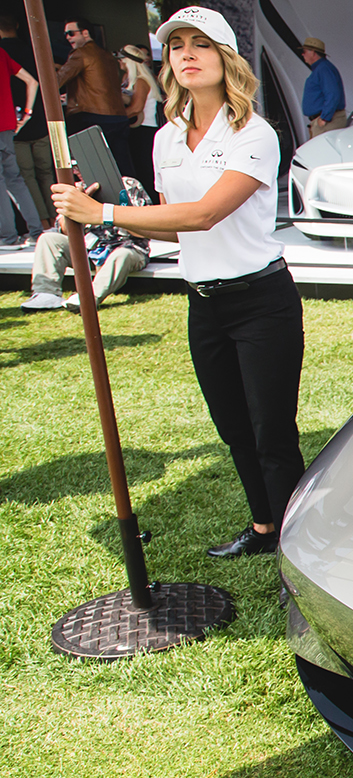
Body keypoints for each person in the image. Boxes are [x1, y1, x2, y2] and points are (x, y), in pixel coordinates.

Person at [55, 6, 303, 560]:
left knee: (271, 433)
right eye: (176, 46)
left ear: (225, 57)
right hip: (205, 303)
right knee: (233, 427)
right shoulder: (166, 138)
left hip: (262, 301)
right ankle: (264, 530)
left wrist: (104, 216)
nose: (187, 54)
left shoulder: (254, 133)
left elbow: (204, 215)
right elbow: (172, 225)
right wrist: (114, 204)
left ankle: (296, 546)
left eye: (202, 44)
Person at [22, 176, 150, 311]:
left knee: (121, 255)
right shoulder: (77, 189)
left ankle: (88, 298)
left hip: (129, 249)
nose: (77, 171)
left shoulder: (129, 185)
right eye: (75, 167)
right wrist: (76, 205)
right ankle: (46, 294)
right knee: (49, 239)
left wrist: (109, 211)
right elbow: (65, 231)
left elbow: (146, 230)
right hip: (91, 252)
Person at [59, 19, 133, 178]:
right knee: (123, 169)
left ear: (85, 33)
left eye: (71, 33)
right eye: (65, 34)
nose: (67, 37)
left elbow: (57, 80)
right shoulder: (107, 56)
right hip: (118, 116)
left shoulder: (80, 54)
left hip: (90, 116)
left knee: (92, 171)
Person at [0, 13, 53, 221]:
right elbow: (37, 81)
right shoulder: (34, 50)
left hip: (14, 126)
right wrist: (30, 112)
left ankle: (40, 222)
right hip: (40, 121)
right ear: (18, 25)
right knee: (47, 172)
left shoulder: (5, 53)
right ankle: (58, 219)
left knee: (25, 176)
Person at [0, 38, 41, 248]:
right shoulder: (1, 53)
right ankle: (36, 231)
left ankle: (7, 237)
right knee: (15, 180)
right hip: (7, 126)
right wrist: (27, 113)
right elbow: (32, 81)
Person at [119, 45, 161, 198]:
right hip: (137, 129)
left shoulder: (141, 81)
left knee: (145, 172)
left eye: (122, 59)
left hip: (144, 130)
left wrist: (117, 118)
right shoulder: (128, 79)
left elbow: (136, 107)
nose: (120, 62)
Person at [299, 36, 346, 138]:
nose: (303, 54)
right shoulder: (322, 69)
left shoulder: (323, 69)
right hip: (324, 121)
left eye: (304, 51)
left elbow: (333, 94)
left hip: (327, 123)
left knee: (322, 152)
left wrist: (324, 118)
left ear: (313, 53)